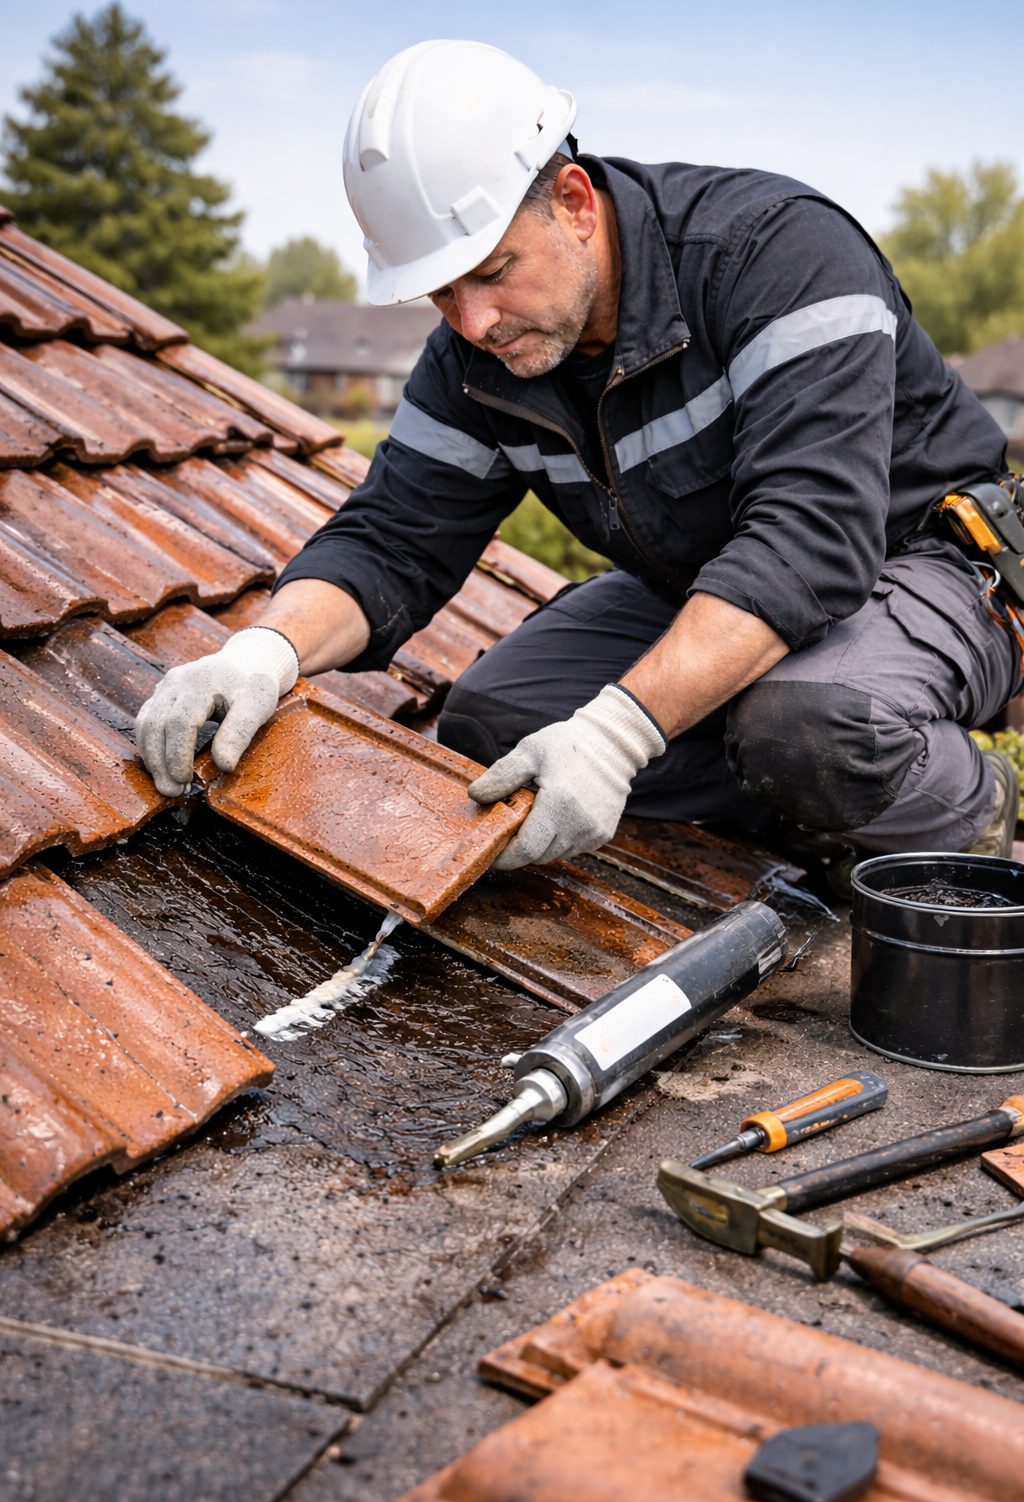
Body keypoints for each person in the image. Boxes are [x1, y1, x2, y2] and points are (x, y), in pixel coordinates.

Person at [136, 39, 1022, 888]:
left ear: (574, 201)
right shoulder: (478, 358)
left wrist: (619, 733)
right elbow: (393, 536)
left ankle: (976, 819)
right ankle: (806, 804)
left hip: (926, 560)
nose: (472, 322)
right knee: (497, 727)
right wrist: (262, 651)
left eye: (492, 271)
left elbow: (810, 540)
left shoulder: (777, 256)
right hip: (716, 583)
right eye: (441, 291)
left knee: (807, 724)